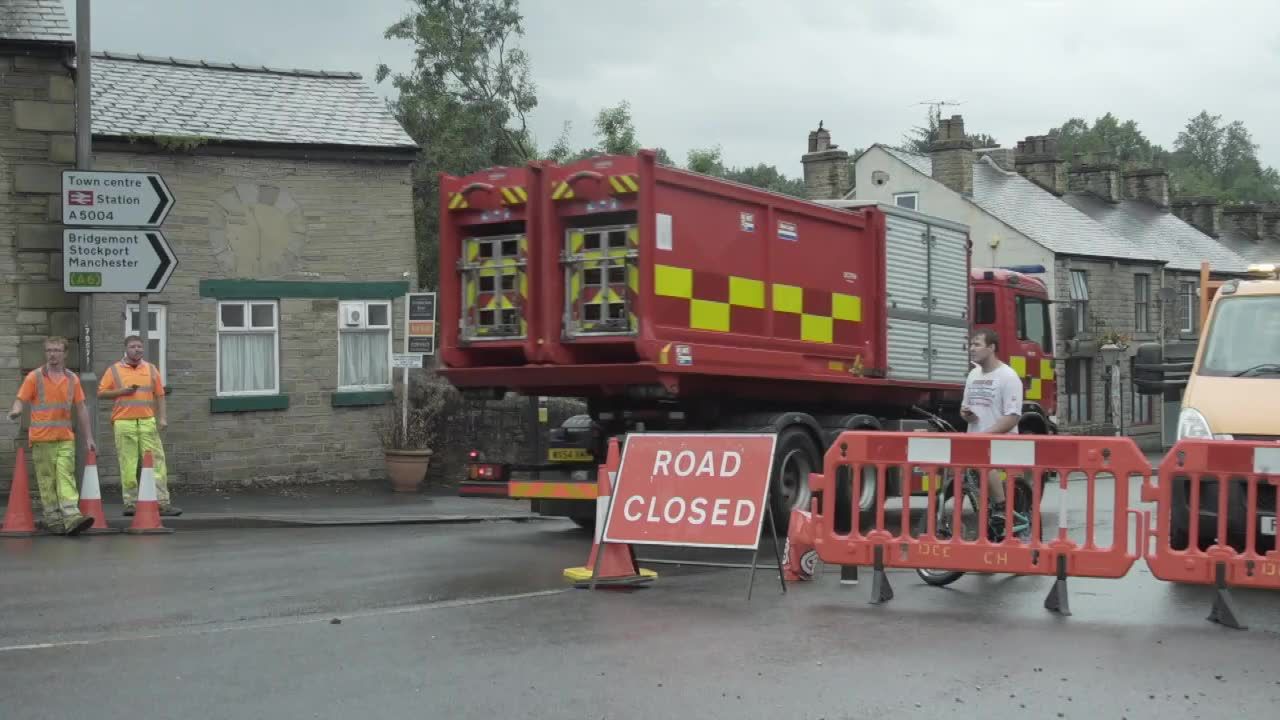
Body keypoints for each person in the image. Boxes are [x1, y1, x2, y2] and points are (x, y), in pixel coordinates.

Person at [7, 336, 97, 536]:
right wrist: (16, 411)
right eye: (49, 350)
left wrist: (89, 437)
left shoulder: (72, 379)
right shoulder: (35, 377)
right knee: (47, 481)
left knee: (65, 475)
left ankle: (72, 515)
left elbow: (81, 409)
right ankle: (53, 519)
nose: (52, 354)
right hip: (41, 439)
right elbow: (20, 399)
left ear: (65, 354)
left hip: (65, 438)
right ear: (45, 352)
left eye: (57, 350)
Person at [97, 335, 180, 516]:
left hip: (147, 421)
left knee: (157, 463)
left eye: (140, 347)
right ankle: (131, 503)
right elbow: (101, 393)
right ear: (126, 349)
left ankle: (162, 503)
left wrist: (163, 418)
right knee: (128, 464)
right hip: (123, 422)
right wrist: (121, 392)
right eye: (133, 346)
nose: (137, 350)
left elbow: (159, 395)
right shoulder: (114, 370)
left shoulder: (151, 369)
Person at [960, 329, 1028, 537]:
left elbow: (1012, 416)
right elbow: (964, 409)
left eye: (977, 344)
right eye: (971, 344)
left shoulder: (1008, 376)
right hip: (977, 441)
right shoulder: (973, 375)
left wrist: (985, 435)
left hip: (999, 442)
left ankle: (1000, 506)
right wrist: (966, 414)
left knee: (982, 462)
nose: (972, 348)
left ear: (992, 348)